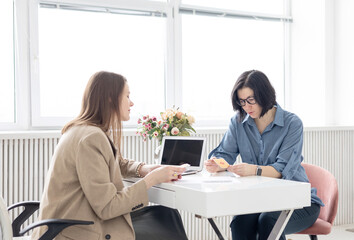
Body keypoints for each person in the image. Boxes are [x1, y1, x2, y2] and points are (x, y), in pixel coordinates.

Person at [31, 71, 189, 240]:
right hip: (78, 230)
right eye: (127, 96)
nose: (132, 102)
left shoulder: (82, 130)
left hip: (79, 221)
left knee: (167, 214)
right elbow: (107, 207)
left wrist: (143, 169)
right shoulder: (91, 137)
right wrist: (151, 180)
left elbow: (113, 162)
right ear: (110, 99)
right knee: (168, 227)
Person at [205, 70, 324, 240]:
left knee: (268, 221)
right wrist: (217, 163)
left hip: (299, 201)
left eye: (251, 100)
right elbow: (225, 153)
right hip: (260, 199)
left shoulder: (292, 123)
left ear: (265, 95)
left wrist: (254, 170)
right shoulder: (238, 122)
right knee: (240, 222)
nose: (247, 107)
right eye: (242, 102)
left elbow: (282, 170)